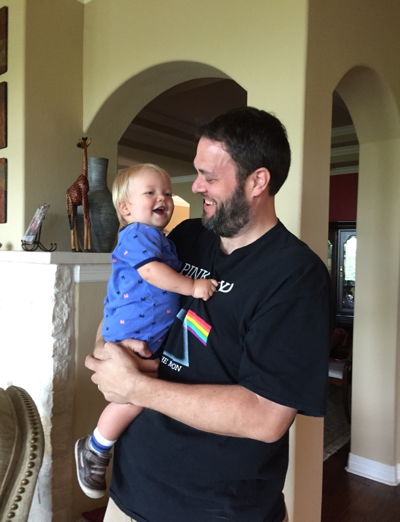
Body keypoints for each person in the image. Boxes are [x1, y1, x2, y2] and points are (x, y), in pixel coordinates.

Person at [86, 107, 332, 522]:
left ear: (257, 181)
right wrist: (111, 352)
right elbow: (126, 297)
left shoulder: (296, 276)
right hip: (130, 494)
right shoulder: (184, 237)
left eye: (209, 176)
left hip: (220, 509)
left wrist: (134, 386)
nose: (196, 186)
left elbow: (267, 416)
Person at [75, 163, 217, 499]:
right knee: (132, 397)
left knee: (137, 394)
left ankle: (99, 444)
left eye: (166, 192)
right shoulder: (138, 233)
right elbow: (152, 272)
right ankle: (96, 447)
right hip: (134, 335)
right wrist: (193, 287)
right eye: (150, 192)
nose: (162, 198)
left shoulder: (161, 238)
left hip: (145, 334)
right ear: (125, 209)